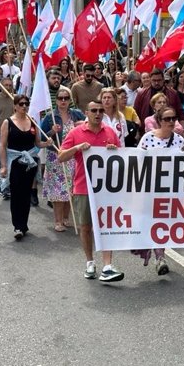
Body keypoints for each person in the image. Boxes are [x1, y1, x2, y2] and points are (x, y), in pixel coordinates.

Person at [58, 99, 125, 283]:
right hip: (83, 187)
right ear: (86, 113)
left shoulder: (110, 132)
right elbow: (61, 156)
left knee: (105, 227)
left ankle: (107, 265)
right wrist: (77, 147)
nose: (97, 113)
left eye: (100, 110)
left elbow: (123, 158)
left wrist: (114, 151)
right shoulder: (76, 132)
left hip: (106, 188)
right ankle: (89, 262)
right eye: (93, 110)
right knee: (85, 227)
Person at [134, 107, 184, 275]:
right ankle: (159, 256)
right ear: (159, 121)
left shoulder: (179, 140)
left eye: (174, 118)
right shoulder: (148, 139)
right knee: (152, 220)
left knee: (164, 222)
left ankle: (160, 255)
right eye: (167, 119)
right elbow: (138, 162)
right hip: (151, 189)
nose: (171, 122)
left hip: (171, 189)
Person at [0, 94, 52, 240]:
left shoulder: (33, 122)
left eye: (26, 104)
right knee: (16, 194)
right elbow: (2, 145)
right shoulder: (7, 122)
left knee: (26, 193)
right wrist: (3, 166)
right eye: (21, 104)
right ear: (15, 106)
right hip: (15, 162)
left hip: (30, 163)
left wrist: (46, 143)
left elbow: (37, 143)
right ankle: (17, 226)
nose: (24, 106)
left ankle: (24, 224)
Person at [41, 87, 84, 232]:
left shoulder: (77, 114)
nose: (63, 101)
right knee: (58, 191)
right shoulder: (50, 116)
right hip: (56, 158)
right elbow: (41, 138)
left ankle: (66, 218)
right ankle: (58, 221)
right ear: (56, 100)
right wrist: (52, 131)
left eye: (66, 98)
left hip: (73, 157)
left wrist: (82, 125)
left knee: (70, 190)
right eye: (60, 98)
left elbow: (87, 128)